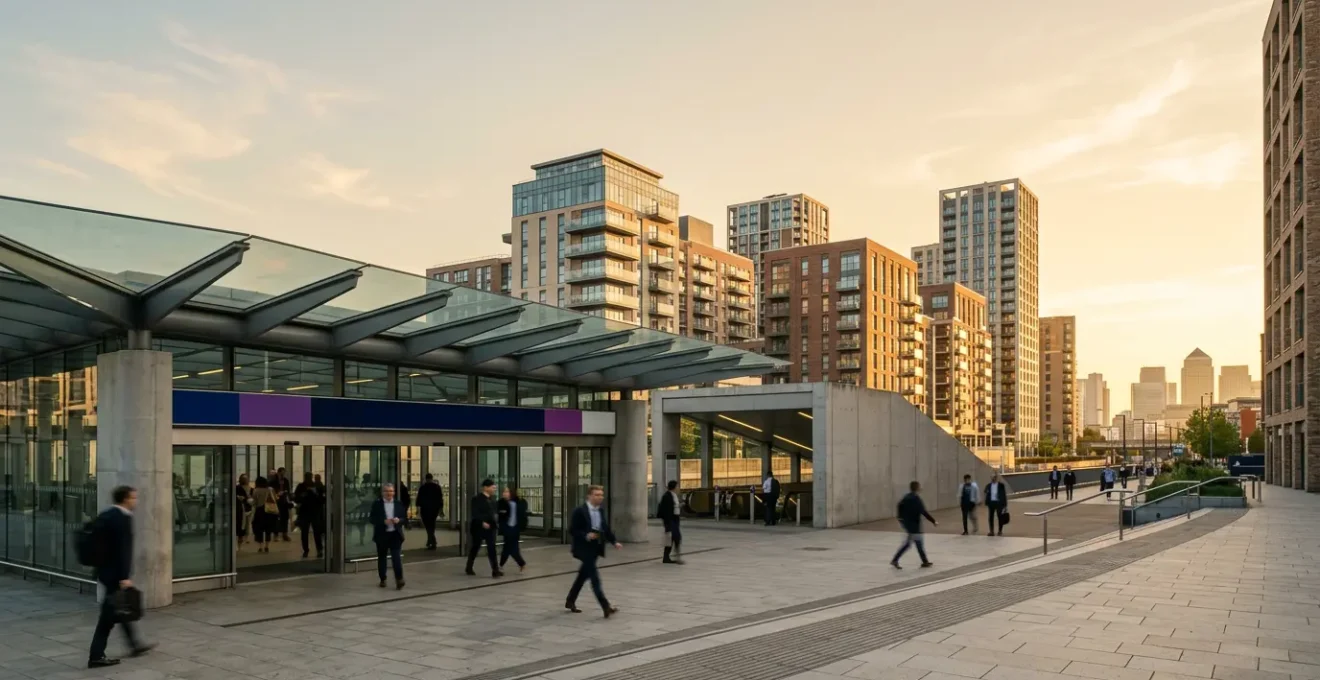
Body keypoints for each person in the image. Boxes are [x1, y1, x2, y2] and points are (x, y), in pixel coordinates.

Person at [88, 485, 153, 668]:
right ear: (125, 499)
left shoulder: (106, 515)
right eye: (133, 498)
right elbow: (122, 551)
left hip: (105, 572)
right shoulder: (121, 519)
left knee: (119, 609)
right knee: (107, 618)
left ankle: (135, 645)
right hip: (115, 575)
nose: (136, 501)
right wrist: (124, 576)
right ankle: (96, 655)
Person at [566, 485, 620, 618]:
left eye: (601, 495)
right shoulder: (579, 511)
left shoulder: (600, 511)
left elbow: (605, 528)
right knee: (595, 578)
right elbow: (572, 530)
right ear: (589, 496)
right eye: (596, 495)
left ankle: (570, 600)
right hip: (583, 548)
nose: (600, 497)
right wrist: (586, 535)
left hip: (596, 548)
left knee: (582, 576)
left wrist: (614, 542)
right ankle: (605, 606)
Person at [891, 481, 936, 569]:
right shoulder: (916, 499)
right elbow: (923, 511)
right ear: (917, 488)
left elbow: (899, 506)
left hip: (908, 525)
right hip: (915, 526)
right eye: (919, 487)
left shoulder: (906, 497)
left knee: (914, 544)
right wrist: (933, 521)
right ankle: (895, 560)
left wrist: (901, 519)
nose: (920, 488)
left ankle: (924, 561)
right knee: (913, 544)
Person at [369, 483, 406, 590]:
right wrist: (383, 521)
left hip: (395, 534)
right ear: (382, 493)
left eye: (391, 491)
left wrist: (399, 520)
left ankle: (399, 579)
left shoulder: (398, 504)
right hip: (382, 535)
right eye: (386, 491)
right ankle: (383, 579)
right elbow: (372, 519)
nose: (389, 493)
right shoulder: (377, 504)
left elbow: (404, 518)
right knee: (382, 557)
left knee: (396, 558)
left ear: (394, 492)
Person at [465, 479, 502, 578]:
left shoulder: (493, 499)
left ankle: (495, 570)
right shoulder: (476, 499)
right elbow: (475, 513)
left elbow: (494, 512)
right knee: (476, 547)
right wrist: (482, 522)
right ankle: (469, 567)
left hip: (491, 527)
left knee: (491, 548)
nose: (494, 489)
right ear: (486, 487)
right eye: (492, 487)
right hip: (479, 528)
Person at [294, 472, 325, 559]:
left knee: (314, 532)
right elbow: (296, 498)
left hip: (311, 512)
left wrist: (315, 493)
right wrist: (303, 495)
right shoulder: (302, 486)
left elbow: (322, 499)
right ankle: (313, 549)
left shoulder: (316, 487)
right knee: (310, 532)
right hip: (309, 512)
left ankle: (313, 549)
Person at [497, 486, 528, 572]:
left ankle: (501, 565)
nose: (504, 493)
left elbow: (523, 514)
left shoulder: (518, 502)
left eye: (506, 492)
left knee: (508, 548)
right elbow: (500, 515)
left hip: (515, 528)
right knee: (511, 548)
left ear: (511, 493)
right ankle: (521, 563)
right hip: (507, 528)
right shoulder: (501, 503)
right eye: (503, 492)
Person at [656, 479, 683, 563]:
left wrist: (679, 506)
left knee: (673, 538)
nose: (678, 488)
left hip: (675, 520)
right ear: (674, 487)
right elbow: (665, 510)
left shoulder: (673, 495)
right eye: (677, 486)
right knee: (673, 537)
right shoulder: (667, 496)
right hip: (670, 520)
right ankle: (672, 557)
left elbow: (674, 506)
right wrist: (667, 523)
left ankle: (667, 557)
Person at [416, 473, 444, 550]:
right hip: (434, 509)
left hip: (425, 509)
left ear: (426, 478)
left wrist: (417, 510)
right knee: (432, 525)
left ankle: (432, 541)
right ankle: (430, 540)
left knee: (428, 526)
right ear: (432, 478)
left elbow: (419, 499)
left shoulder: (423, 488)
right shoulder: (437, 487)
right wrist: (441, 509)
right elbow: (440, 499)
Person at [250, 476, 276, 553]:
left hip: (260, 511)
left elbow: (254, 502)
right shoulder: (270, 490)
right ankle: (267, 546)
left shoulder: (256, 490)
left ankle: (260, 547)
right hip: (269, 510)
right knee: (268, 529)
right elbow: (275, 499)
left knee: (259, 529)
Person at [274, 467, 292, 541]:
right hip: (276, 501)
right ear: (278, 473)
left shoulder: (286, 481)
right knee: (276, 518)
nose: (283, 475)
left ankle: (285, 534)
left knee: (285, 518)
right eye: (281, 473)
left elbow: (288, 490)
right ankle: (276, 535)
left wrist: (286, 494)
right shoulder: (274, 481)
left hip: (284, 501)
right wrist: (277, 493)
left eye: (284, 473)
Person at [234, 474, 251, 548]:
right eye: (244, 479)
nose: (246, 480)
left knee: (246, 523)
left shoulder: (249, 488)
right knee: (241, 524)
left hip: (246, 508)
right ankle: (240, 539)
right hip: (240, 508)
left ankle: (245, 537)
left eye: (246, 478)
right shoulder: (238, 488)